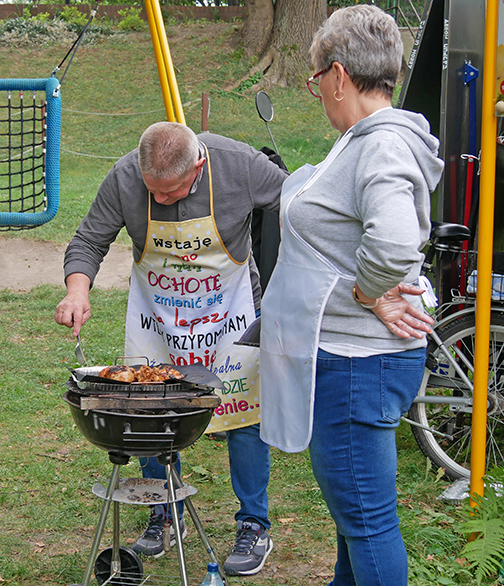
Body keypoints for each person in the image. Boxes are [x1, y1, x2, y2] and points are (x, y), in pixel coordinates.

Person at [259, 6, 442, 586]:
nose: (318, 94)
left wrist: (368, 293)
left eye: (316, 82)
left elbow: (392, 242)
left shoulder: (381, 147)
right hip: (349, 359)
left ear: (338, 76)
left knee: (367, 520)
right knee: (352, 519)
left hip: (359, 363)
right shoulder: (362, 140)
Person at [55, 121, 288, 575]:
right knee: (147, 417)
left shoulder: (239, 165)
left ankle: (254, 523)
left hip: (230, 316)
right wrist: (77, 290)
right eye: (152, 192)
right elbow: (89, 239)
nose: (160, 202)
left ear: (199, 164)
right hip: (158, 318)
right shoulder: (125, 177)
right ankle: (164, 514)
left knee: (242, 415)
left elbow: (297, 204)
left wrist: (289, 280)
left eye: (172, 192)